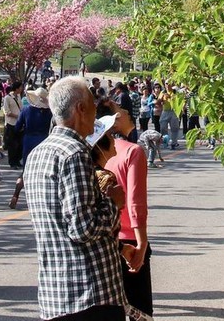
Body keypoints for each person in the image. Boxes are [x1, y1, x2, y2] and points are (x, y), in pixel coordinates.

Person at [24, 76, 126, 321]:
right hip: (89, 293)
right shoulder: (75, 153)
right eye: (92, 103)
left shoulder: (38, 153)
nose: (95, 109)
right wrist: (114, 203)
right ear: (81, 109)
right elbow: (83, 228)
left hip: (55, 292)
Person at [94, 99, 153, 317]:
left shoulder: (93, 151)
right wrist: (142, 242)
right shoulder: (132, 151)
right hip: (129, 241)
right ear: (115, 121)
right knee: (140, 311)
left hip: (104, 239)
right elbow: (135, 202)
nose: (128, 113)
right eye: (123, 111)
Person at [8, 87, 53, 209]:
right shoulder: (50, 113)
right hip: (45, 142)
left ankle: (16, 195)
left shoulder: (26, 110)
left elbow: (17, 127)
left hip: (29, 142)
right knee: (43, 171)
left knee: (26, 171)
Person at [2, 82, 25, 168]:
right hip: (11, 124)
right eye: (20, 87)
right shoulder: (7, 98)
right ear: (16, 88)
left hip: (19, 124)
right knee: (12, 145)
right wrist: (17, 116)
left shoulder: (19, 97)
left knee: (20, 144)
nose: (21, 89)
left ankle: (17, 160)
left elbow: (21, 108)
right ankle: (12, 162)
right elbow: (7, 112)